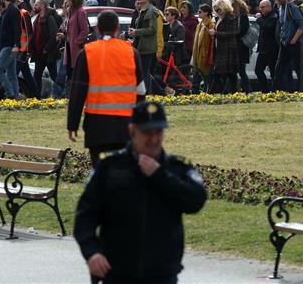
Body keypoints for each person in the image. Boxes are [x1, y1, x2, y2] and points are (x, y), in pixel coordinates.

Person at [74, 101, 206, 284]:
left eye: (158, 132)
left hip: (161, 274)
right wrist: (92, 252)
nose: (153, 139)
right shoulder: (110, 167)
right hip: (117, 272)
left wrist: (159, 175)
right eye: (147, 133)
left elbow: (196, 201)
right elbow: (85, 216)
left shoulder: (176, 167)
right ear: (132, 131)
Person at [68, 11, 146, 165]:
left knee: (100, 172)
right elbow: (141, 91)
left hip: (97, 125)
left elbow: (77, 93)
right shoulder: (131, 52)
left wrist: (72, 124)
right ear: (117, 28)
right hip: (126, 124)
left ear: (97, 28)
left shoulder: (87, 52)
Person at [127, 0, 158, 93]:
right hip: (140, 45)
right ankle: (144, 93)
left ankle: (147, 94)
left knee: (145, 72)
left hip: (147, 47)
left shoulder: (151, 11)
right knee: (142, 72)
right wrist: (131, 32)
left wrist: (137, 32)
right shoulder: (142, 10)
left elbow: (152, 29)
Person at [0, 0, 22, 100]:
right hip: (6, 44)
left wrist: (16, 45)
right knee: (11, 74)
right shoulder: (7, 10)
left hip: (9, 46)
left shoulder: (13, 10)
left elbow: (17, 29)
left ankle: (10, 94)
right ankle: (15, 97)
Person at [274, 0, 303, 92]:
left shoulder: (293, 8)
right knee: (279, 69)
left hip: (294, 44)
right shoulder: (280, 8)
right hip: (284, 44)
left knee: (298, 69)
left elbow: (301, 26)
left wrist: (293, 40)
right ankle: (275, 91)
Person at [30, 0, 60, 97]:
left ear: (42, 6)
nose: (34, 7)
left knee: (54, 75)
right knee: (37, 76)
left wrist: (46, 48)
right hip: (39, 54)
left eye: (36, 5)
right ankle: (37, 97)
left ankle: (61, 94)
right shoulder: (37, 18)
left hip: (48, 53)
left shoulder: (49, 18)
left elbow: (53, 35)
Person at [209, 0, 239, 93]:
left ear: (224, 8)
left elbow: (232, 33)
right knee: (226, 72)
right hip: (220, 48)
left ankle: (212, 93)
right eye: (216, 10)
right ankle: (232, 92)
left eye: (219, 10)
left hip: (228, 48)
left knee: (225, 72)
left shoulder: (230, 17)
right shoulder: (219, 18)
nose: (217, 12)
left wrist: (216, 33)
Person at [255, 0, 279, 93]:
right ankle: (265, 90)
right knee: (258, 70)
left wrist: (259, 19)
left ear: (269, 7)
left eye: (263, 7)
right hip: (263, 49)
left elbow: (267, 27)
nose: (261, 9)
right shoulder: (263, 17)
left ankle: (274, 91)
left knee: (273, 72)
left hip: (272, 49)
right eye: (260, 7)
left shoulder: (274, 16)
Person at [190, 4, 214, 91]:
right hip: (197, 55)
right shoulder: (199, 25)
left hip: (205, 55)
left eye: (200, 12)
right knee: (196, 78)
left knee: (205, 77)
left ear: (206, 13)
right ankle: (195, 93)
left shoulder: (210, 25)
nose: (198, 13)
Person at [231, 0, 252, 93]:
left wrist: (232, 33)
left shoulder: (243, 17)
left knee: (241, 70)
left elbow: (242, 31)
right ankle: (235, 90)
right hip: (237, 47)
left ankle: (247, 90)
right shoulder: (236, 17)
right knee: (236, 70)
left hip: (241, 47)